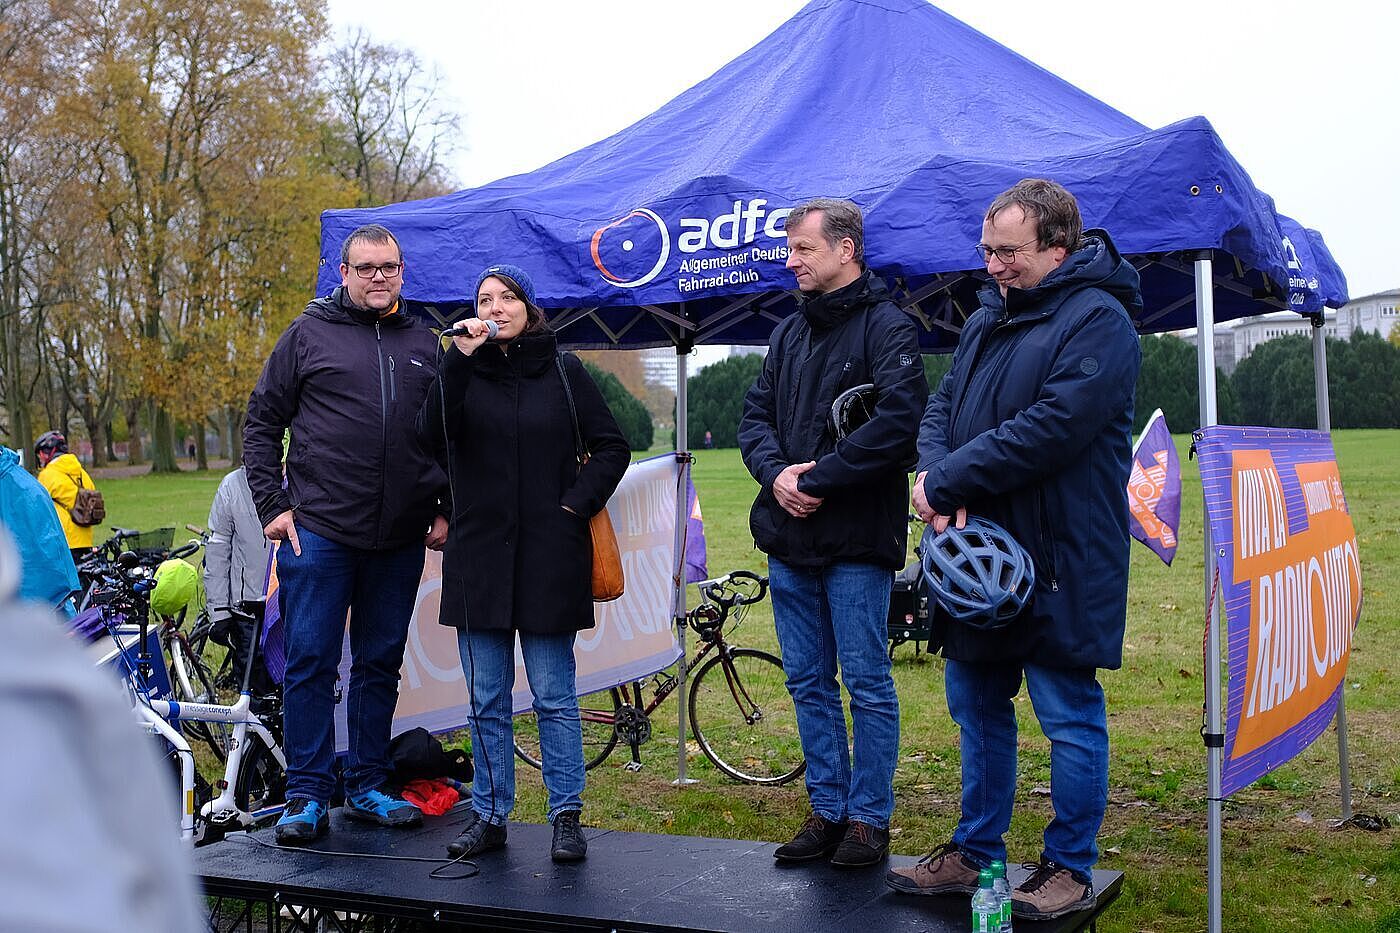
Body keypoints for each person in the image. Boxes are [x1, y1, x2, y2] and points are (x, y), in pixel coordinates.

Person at [888, 179, 1142, 920]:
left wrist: (947, 480)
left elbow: (1052, 427)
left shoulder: (1100, 320)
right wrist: (932, 476)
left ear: (1058, 249)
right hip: (981, 558)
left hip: (1063, 556)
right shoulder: (985, 319)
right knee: (976, 706)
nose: (993, 265)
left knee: (1067, 713)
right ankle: (977, 852)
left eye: (1008, 251)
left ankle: (1069, 866)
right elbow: (941, 408)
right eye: (987, 250)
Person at [243, 223, 449, 845]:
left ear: (402, 272)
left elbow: (445, 434)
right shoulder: (307, 335)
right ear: (344, 273)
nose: (378, 277)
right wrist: (272, 505)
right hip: (320, 532)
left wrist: (445, 506)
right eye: (366, 268)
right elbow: (261, 421)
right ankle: (305, 794)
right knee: (310, 662)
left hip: (399, 537)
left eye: (388, 267)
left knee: (380, 663)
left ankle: (366, 785)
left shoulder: (424, 341)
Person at [737, 198, 927, 868]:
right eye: (789, 249)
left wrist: (819, 479)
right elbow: (754, 418)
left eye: (803, 249)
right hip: (788, 539)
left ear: (846, 249)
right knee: (808, 681)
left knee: (867, 682)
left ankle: (869, 819)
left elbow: (898, 424)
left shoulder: (889, 327)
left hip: (857, 540)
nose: (791, 261)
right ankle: (828, 809)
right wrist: (777, 476)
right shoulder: (788, 333)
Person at [418, 263, 628, 863]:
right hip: (479, 558)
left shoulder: (564, 370)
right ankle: (489, 815)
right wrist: (457, 360)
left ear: (529, 308)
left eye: (508, 297)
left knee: (554, 696)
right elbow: (427, 434)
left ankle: (566, 816)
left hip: (548, 556)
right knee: (485, 699)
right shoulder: (460, 369)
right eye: (485, 299)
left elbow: (612, 446)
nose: (496, 307)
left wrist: (574, 506)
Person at [203, 465, 273, 692]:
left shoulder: (301, 478)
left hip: (294, 609)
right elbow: (218, 549)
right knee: (254, 693)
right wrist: (219, 612)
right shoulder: (233, 485)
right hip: (248, 613)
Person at [0, 445, 79, 608]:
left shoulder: (30, 484)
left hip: (31, 609)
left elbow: (39, 574)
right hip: (77, 535)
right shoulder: (79, 472)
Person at [34, 431, 98, 564]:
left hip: (63, 541)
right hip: (85, 540)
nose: (40, 457)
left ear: (46, 453)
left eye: (40, 453)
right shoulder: (81, 472)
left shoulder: (47, 475)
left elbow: (36, 508)